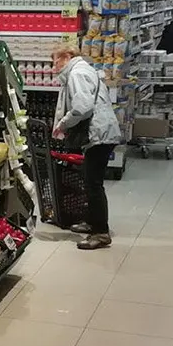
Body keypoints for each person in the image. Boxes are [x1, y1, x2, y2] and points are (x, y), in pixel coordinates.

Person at [52, 46, 123, 250]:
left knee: (93, 184)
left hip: (99, 134)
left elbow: (82, 107)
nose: (53, 66)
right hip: (100, 133)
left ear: (67, 57)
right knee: (89, 180)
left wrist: (63, 123)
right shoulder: (83, 70)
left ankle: (100, 233)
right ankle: (92, 222)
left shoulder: (77, 73)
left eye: (55, 61)